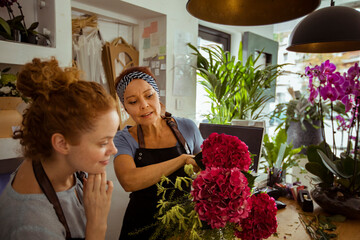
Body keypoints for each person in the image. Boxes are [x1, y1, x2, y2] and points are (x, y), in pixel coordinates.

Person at [0, 58, 120, 240]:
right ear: (62, 144)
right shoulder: (33, 226)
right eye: (104, 142)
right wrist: (97, 226)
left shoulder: (53, 163)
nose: (114, 149)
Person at [113, 66, 204, 239]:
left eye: (149, 96)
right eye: (133, 102)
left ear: (158, 95)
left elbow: (209, 172)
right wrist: (182, 159)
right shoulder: (123, 138)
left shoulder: (188, 127)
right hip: (140, 226)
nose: (144, 105)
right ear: (125, 108)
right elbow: (128, 181)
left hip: (181, 226)